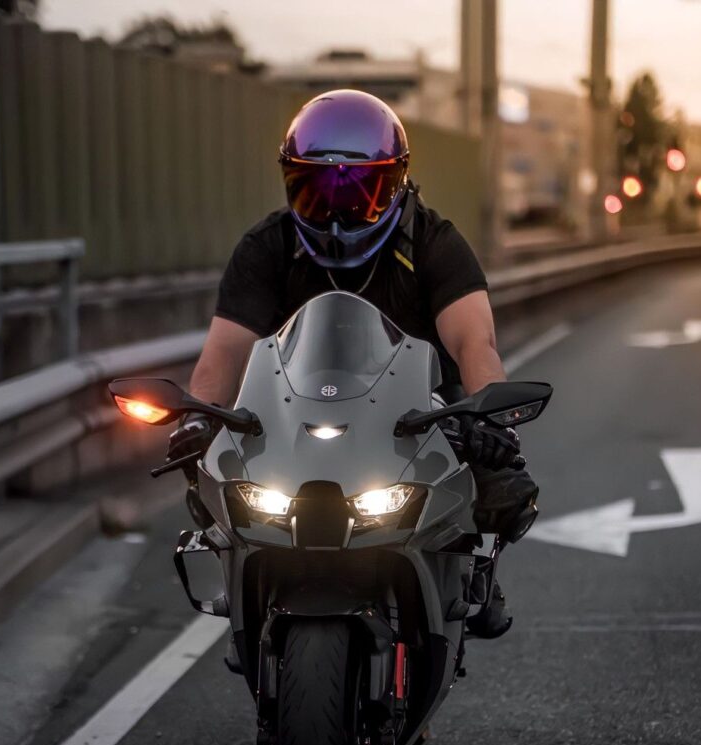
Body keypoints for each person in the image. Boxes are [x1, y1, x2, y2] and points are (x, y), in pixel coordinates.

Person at [168, 89, 537, 642]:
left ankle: (473, 570)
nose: (337, 216)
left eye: (360, 193)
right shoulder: (267, 247)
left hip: (423, 411)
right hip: (291, 410)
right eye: (316, 193)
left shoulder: (434, 241)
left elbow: (474, 343)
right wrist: (198, 416)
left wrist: (490, 422)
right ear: (289, 182)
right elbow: (223, 354)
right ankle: (247, 598)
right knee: (207, 479)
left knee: (502, 484)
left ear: (398, 182)